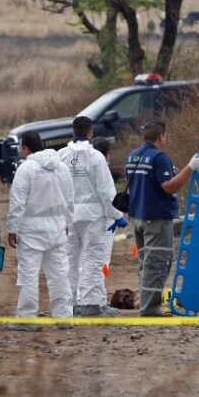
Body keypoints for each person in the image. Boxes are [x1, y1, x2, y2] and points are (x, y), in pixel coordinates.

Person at [125, 121, 199, 316]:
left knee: (146, 263)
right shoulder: (159, 157)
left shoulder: (133, 155)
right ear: (161, 137)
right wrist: (190, 167)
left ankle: (145, 304)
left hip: (137, 216)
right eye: (166, 136)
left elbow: (146, 182)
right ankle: (150, 309)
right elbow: (169, 186)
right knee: (157, 263)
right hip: (156, 218)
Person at [7, 132, 75, 331]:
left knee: (28, 274)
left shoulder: (26, 168)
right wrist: (68, 223)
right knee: (60, 274)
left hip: (31, 229)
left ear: (25, 147)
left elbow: (17, 202)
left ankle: (27, 318)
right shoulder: (61, 167)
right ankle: (64, 317)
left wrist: (12, 228)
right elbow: (70, 199)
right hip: (57, 227)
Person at [57, 116, 123, 317]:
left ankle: (69, 305)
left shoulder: (61, 156)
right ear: (91, 132)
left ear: (73, 131)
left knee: (70, 259)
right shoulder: (96, 158)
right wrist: (117, 214)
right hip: (93, 217)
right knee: (93, 259)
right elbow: (106, 191)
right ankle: (91, 304)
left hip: (69, 216)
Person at [92, 136, 128, 313]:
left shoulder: (83, 166)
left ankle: (81, 300)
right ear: (108, 154)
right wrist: (118, 216)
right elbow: (109, 198)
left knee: (82, 261)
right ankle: (98, 302)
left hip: (82, 221)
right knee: (101, 261)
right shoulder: (102, 169)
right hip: (102, 221)